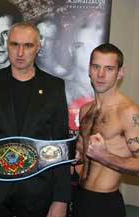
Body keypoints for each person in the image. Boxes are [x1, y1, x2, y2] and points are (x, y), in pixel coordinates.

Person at [0, 22, 71, 217]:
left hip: (38, 195)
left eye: (28, 46)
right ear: (7, 46)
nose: (20, 52)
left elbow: (61, 146)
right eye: (14, 44)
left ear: (38, 47)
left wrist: (61, 199)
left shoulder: (54, 87)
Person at [73, 43, 139, 217]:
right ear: (89, 69)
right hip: (79, 197)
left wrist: (105, 156)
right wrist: (75, 156)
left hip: (105, 203)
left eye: (109, 69)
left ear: (120, 73)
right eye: (96, 67)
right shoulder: (85, 110)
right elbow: (82, 154)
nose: (100, 75)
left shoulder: (127, 112)